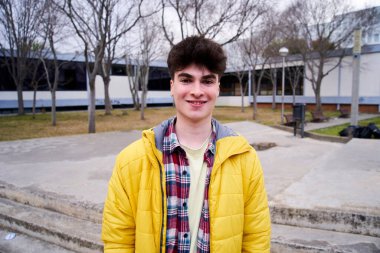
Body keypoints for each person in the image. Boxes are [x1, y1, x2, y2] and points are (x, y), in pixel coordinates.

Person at [102, 35, 271, 253]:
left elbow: (256, 240)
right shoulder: (131, 161)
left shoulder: (245, 160)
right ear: (172, 86)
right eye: (186, 79)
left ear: (218, 87)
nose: (197, 90)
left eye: (208, 81)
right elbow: (118, 241)